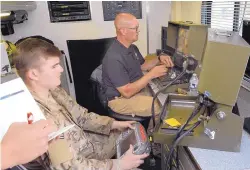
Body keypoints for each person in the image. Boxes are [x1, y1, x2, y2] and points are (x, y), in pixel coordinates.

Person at [14, 38, 148, 170]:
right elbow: (70, 166)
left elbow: (81, 117)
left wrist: (114, 124)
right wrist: (118, 165)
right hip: (81, 162)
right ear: (34, 74)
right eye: (54, 66)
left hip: (88, 145)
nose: (61, 69)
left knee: (130, 135)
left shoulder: (54, 90)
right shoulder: (38, 117)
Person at [102, 13, 174, 117]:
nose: (138, 31)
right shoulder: (114, 57)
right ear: (123, 31)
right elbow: (126, 92)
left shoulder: (132, 48)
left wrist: (159, 58)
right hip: (120, 99)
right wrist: (151, 75)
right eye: (135, 28)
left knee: (166, 96)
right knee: (161, 105)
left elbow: (142, 65)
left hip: (134, 91)